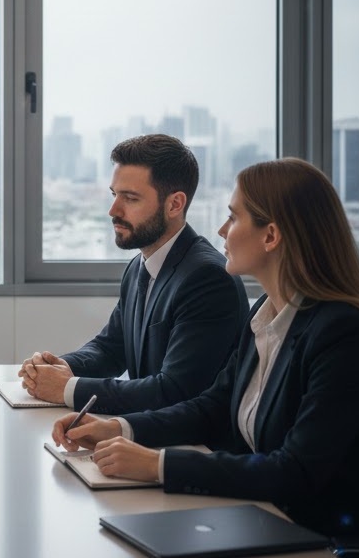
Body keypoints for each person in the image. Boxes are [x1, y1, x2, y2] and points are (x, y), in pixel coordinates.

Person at [52, 158, 359, 538]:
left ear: (270, 236)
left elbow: (295, 471)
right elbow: (213, 407)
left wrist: (158, 465)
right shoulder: (266, 312)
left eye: (233, 218)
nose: (222, 230)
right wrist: (118, 428)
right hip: (259, 517)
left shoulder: (343, 332)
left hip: (318, 537)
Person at [19, 134, 248, 414]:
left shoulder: (208, 279)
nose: (113, 210)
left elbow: (174, 391)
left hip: (192, 447)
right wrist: (60, 367)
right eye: (115, 195)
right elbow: (112, 347)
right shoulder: (141, 264)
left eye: (130, 198)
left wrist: (67, 388)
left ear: (175, 204)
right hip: (146, 436)